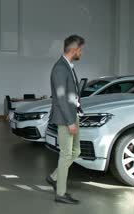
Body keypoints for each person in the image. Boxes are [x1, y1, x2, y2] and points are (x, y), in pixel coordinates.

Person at [46, 35, 85, 204]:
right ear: (74, 49)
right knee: (66, 154)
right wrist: (70, 122)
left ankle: (54, 177)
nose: (82, 53)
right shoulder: (60, 68)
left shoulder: (68, 66)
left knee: (76, 151)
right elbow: (61, 98)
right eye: (81, 50)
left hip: (72, 114)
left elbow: (70, 94)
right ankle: (60, 194)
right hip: (65, 118)